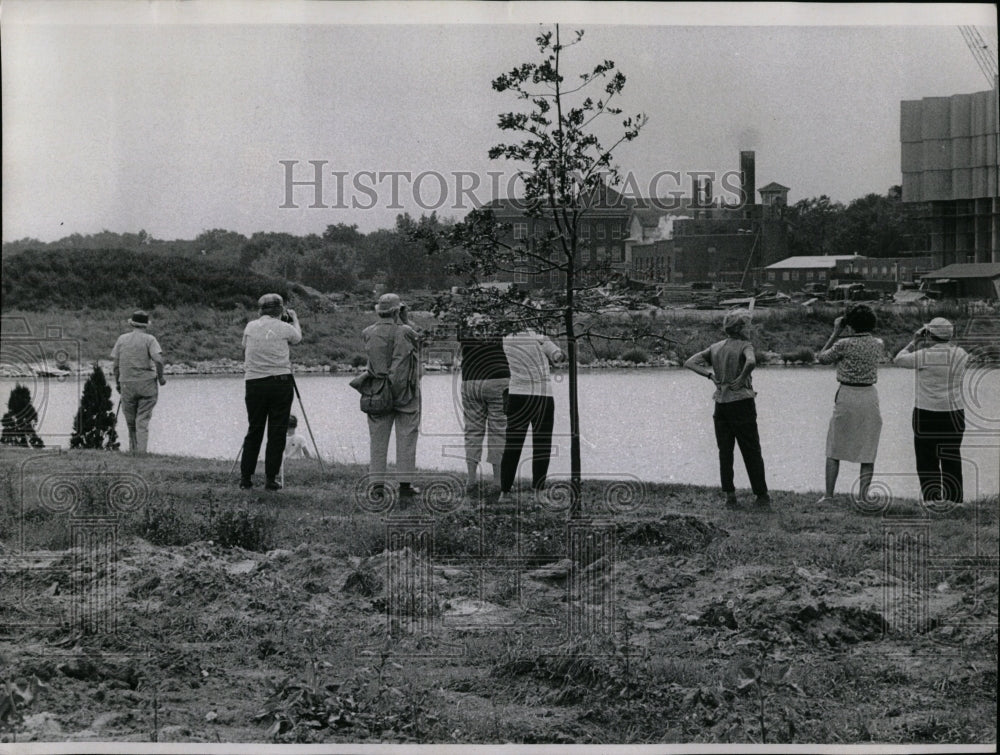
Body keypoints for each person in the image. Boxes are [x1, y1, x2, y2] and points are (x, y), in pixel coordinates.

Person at [684, 310, 770, 509]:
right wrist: (741, 379)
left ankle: (730, 495)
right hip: (741, 402)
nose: (751, 329)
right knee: (751, 449)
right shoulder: (745, 345)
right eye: (748, 325)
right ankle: (761, 495)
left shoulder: (716, 347)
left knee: (725, 450)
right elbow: (751, 361)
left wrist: (710, 377)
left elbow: (689, 362)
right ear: (740, 328)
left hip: (721, 403)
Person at [893, 317, 969, 503]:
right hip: (954, 412)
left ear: (929, 334)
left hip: (926, 412)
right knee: (952, 456)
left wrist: (914, 341)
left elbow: (898, 359)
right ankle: (954, 500)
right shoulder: (961, 354)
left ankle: (932, 499)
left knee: (927, 458)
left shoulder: (924, 355)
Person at [816, 304, 886, 504]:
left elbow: (822, 358)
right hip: (869, 395)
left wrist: (836, 331)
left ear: (850, 324)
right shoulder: (878, 343)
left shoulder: (843, 344)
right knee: (868, 447)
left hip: (847, 394)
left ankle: (829, 495)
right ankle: (864, 496)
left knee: (834, 446)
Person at [362, 293, 422, 502]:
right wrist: (405, 319)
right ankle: (405, 485)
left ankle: (376, 485)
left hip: (377, 391)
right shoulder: (406, 331)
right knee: (406, 436)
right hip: (405, 392)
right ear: (398, 310)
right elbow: (420, 343)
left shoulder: (368, 332)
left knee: (377, 439)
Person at [239, 293, 301, 491]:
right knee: (276, 431)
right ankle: (270, 478)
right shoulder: (286, 327)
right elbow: (297, 338)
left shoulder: (250, 326)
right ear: (281, 311)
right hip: (279, 382)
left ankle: (246, 478)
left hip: (254, 383)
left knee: (254, 429)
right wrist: (295, 319)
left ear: (260, 310)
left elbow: (244, 346)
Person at [499, 323, 565, 503]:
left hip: (517, 395)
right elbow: (558, 357)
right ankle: (539, 491)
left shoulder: (506, 338)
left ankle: (504, 491)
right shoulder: (538, 336)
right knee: (542, 444)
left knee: (513, 444)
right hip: (542, 395)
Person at [458, 314, 510, 490]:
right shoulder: (499, 320)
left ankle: (471, 479)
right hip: (499, 376)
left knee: (472, 429)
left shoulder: (464, 320)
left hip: (471, 378)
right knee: (499, 430)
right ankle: (497, 480)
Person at [111, 310, 167, 454]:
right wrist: (160, 378)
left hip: (126, 383)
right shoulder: (150, 340)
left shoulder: (121, 339)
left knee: (131, 422)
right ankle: (141, 453)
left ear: (132, 324)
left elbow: (116, 366)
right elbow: (159, 361)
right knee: (142, 420)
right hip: (147, 384)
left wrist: (118, 382)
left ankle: (133, 451)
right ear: (146, 325)